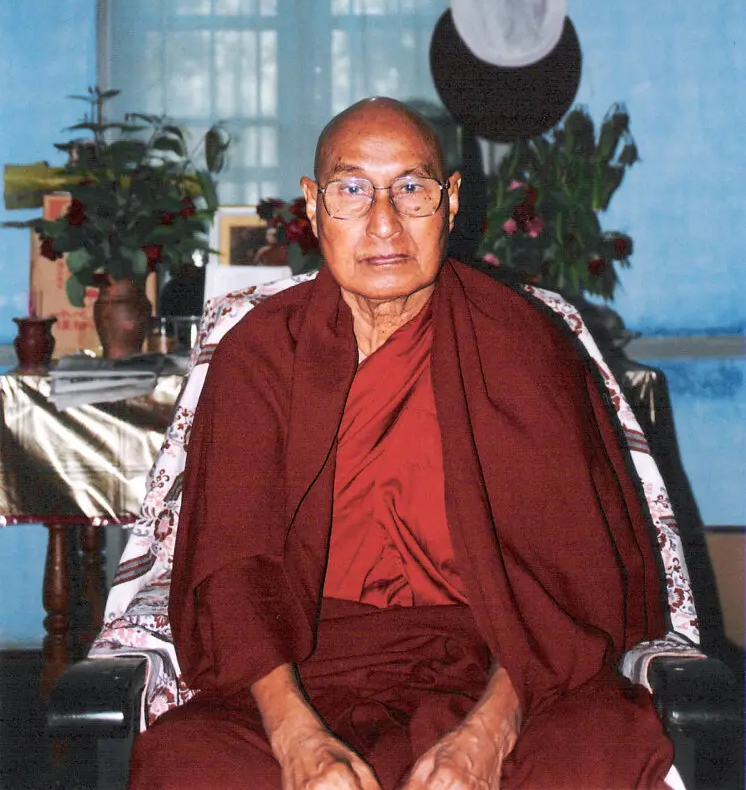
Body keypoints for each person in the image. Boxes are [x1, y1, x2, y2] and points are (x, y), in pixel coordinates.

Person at [128, 98, 675, 790]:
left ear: (450, 201)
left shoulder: (521, 347)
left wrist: (488, 732)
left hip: (506, 666)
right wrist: (298, 741)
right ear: (313, 205)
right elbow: (235, 577)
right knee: (189, 764)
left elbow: (567, 585)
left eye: (411, 189)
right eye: (352, 190)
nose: (383, 223)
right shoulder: (262, 355)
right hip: (303, 670)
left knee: (598, 750)